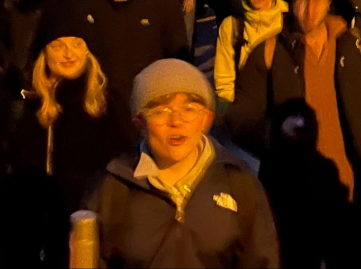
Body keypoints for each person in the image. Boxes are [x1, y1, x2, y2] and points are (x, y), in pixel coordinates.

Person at [225, 0, 361, 265]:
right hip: (293, 198)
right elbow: (240, 118)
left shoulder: (354, 47)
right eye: (301, 1)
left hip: (349, 191)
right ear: (289, 4)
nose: (309, 10)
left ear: (329, 0)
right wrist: (274, 133)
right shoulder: (268, 53)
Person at [90, 59, 280, 268]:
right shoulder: (114, 186)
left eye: (189, 109)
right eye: (161, 111)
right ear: (141, 124)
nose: (176, 122)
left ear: (206, 119)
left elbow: (263, 261)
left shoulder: (238, 182)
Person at [0, 7, 126, 268]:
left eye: (77, 44)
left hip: (88, 236)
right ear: (44, 52)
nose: (69, 54)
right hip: (27, 242)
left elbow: (122, 173)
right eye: (58, 46)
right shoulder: (21, 101)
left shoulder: (106, 104)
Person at [81, 0, 190, 142]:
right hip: (100, 113)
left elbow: (178, 59)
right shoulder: (86, 6)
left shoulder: (163, 2)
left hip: (147, 111)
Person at [215, 0, 287, 107]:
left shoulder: (288, 24)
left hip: (281, 106)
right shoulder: (232, 26)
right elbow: (224, 76)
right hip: (245, 108)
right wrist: (229, 108)